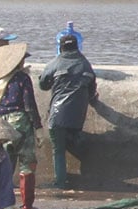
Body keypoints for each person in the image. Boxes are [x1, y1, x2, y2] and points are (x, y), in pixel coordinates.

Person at [38, 34, 97, 190]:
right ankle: (79, 142)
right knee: (72, 136)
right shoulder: (85, 64)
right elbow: (92, 91)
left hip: (58, 115)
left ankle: (60, 182)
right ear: (77, 46)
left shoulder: (55, 63)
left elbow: (43, 84)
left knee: (58, 149)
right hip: (78, 116)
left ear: (61, 47)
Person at [0, 43, 43, 209]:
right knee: (27, 162)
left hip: (0, 123)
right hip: (19, 121)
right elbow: (29, 105)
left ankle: (0, 203)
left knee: (4, 164)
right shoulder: (22, 79)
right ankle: (27, 205)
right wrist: (38, 127)